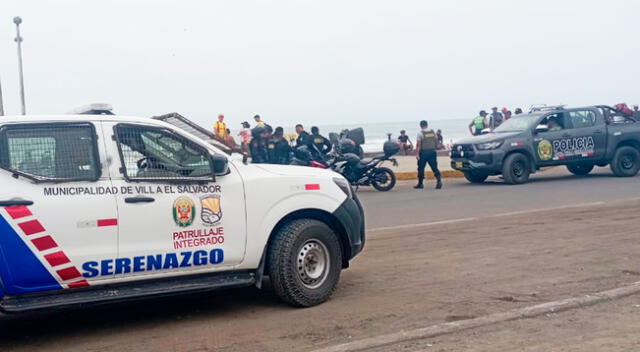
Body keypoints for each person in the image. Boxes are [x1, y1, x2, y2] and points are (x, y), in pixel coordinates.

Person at [414, 120, 442, 190]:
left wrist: (417, 154)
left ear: (420, 125)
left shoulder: (420, 133)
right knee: (434, 167)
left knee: (421, 168)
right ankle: (439, 180)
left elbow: (418, 145)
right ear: (427, 125)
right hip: (432, 152)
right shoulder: (433, 132)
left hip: (423, 153)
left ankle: (420, 184)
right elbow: (436, 143)